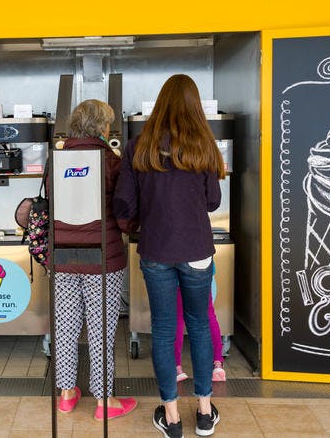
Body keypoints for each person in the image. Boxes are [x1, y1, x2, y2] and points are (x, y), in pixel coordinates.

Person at [114, 74, 225, 437]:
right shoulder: (204, 146)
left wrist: (136, 222)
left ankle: (173, 418)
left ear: (160, 104)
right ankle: (205, 413)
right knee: (199, 325)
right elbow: (213, 202)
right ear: (195, 106)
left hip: (157, 249)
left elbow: (125, 203)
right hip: (196, 249)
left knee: (163, 329)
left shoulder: (138, 146)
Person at [52, 99, 138, 421]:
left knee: (67, 325)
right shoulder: (111, 161)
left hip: (63, 256)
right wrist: (132, 228)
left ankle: (66, 394)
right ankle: (105, 402)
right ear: (102, 127)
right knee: (101, 329)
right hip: (103, 258)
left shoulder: (57, 159)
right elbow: (124, 207)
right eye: (108, 124)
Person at [175, 275, 226, 383]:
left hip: (177, 277)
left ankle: (176, 368)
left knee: (177, 319)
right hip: (203, 275)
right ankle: (217, 363)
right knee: (208, 317)